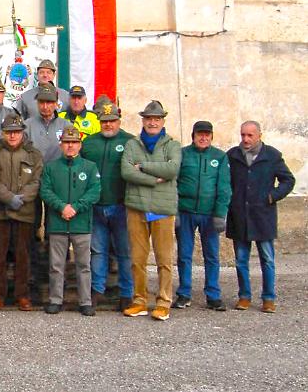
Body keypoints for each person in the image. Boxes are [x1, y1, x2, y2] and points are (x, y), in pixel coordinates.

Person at [120, 100, 181, 321]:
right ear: (143, 121)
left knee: (164, 259)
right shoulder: (132, 144)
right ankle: (140, 300)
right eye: (148, 119)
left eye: (156, 119)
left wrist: (143, 166)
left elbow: (172, 169)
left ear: (162, 121)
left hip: (162, 209)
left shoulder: (172, 145)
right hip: (137, 207)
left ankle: (164, 301)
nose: (152, 122)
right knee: (137, 258)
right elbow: (127, 171)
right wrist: (155, 179)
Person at [227, 120, 296, 313]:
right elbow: (225, 182)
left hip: (262, 215)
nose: (246, 139)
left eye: (250, 135)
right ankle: (244, 296)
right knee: (241, 260)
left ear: (259, 135)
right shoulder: (232, 155)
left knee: (267, 259)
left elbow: (288, 180)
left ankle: (268, 298)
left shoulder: (272, 155)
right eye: (243, 135)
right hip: (239, 215)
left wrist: (272, 196)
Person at [80, 96, 135, 312]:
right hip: (96, 206)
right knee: (98, 251)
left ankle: (126, 293)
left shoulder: (130, 142)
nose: (108, 124)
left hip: (121, 206)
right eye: (104, 121)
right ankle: (97, 291)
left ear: (119, 120)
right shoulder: (90, 143)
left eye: (112, 120)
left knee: (124, 251)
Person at [0, 112, 44, 310]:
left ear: (22, 133)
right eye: (9, 132)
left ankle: (23, 295)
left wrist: (22, 199)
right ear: (2, 133)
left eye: (16, 132)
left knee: (23, 255)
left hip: (24, 212)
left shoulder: (33, 154)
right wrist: (9, 198)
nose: (12, 136)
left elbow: (36, 181)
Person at [40, 128, 101, 315]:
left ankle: (85, 302)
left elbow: (95, 191)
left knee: (83, 265)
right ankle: (55, 300)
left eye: (73, 142)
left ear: (79, 145)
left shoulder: (90, 167)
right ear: (61, 145)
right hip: (58, 223)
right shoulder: (51, 167)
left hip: (81, 223)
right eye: (66, 142)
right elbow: (45, 191)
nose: (70, 146)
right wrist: (61, 207)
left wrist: (75, 207)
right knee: (56, 265)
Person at [172, 120, 231, 311]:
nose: (203, 137)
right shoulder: (182, 154)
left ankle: (213, 295)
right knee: (184, 255)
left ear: (212, 136)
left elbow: (224, 187)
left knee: (212, 256)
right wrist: (175, 211)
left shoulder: (220, 157)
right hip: (186, 212)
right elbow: (173, 184)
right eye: (200, 134)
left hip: (209, 214)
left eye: (207, 134)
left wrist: (220, 214)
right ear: (193, 136)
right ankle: (184, 294)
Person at [24, 84, 74, 163]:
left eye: (49, 102)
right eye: (41, 102)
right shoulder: (27, 125)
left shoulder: (66, 126)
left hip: (57, 172)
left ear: (56, 103)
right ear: (37, 103)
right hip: (34, 172)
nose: (45, 107)